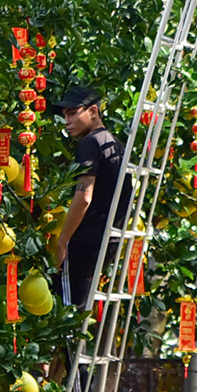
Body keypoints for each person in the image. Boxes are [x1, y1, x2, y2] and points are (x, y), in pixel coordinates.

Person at [50, 86, 132, 311]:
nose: (67, 120)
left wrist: (62, 241)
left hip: (84, 242)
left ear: (93, 111)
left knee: (64, 312)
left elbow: (84, 196)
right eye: (65, 115)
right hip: (107, 241)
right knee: (82, 310)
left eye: (73, 113)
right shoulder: (115, 145)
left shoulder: (90, 143)